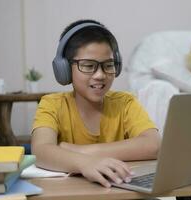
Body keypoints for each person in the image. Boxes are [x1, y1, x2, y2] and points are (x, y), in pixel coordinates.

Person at [31, 19, 161, 188]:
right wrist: (84, 163)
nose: (100, 75)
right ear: (64, 68)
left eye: (108, 65)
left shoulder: (125, 102)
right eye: (88, 65)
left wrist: (82, 152)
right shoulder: (52, 104)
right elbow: (41, 151)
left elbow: (154, 145)